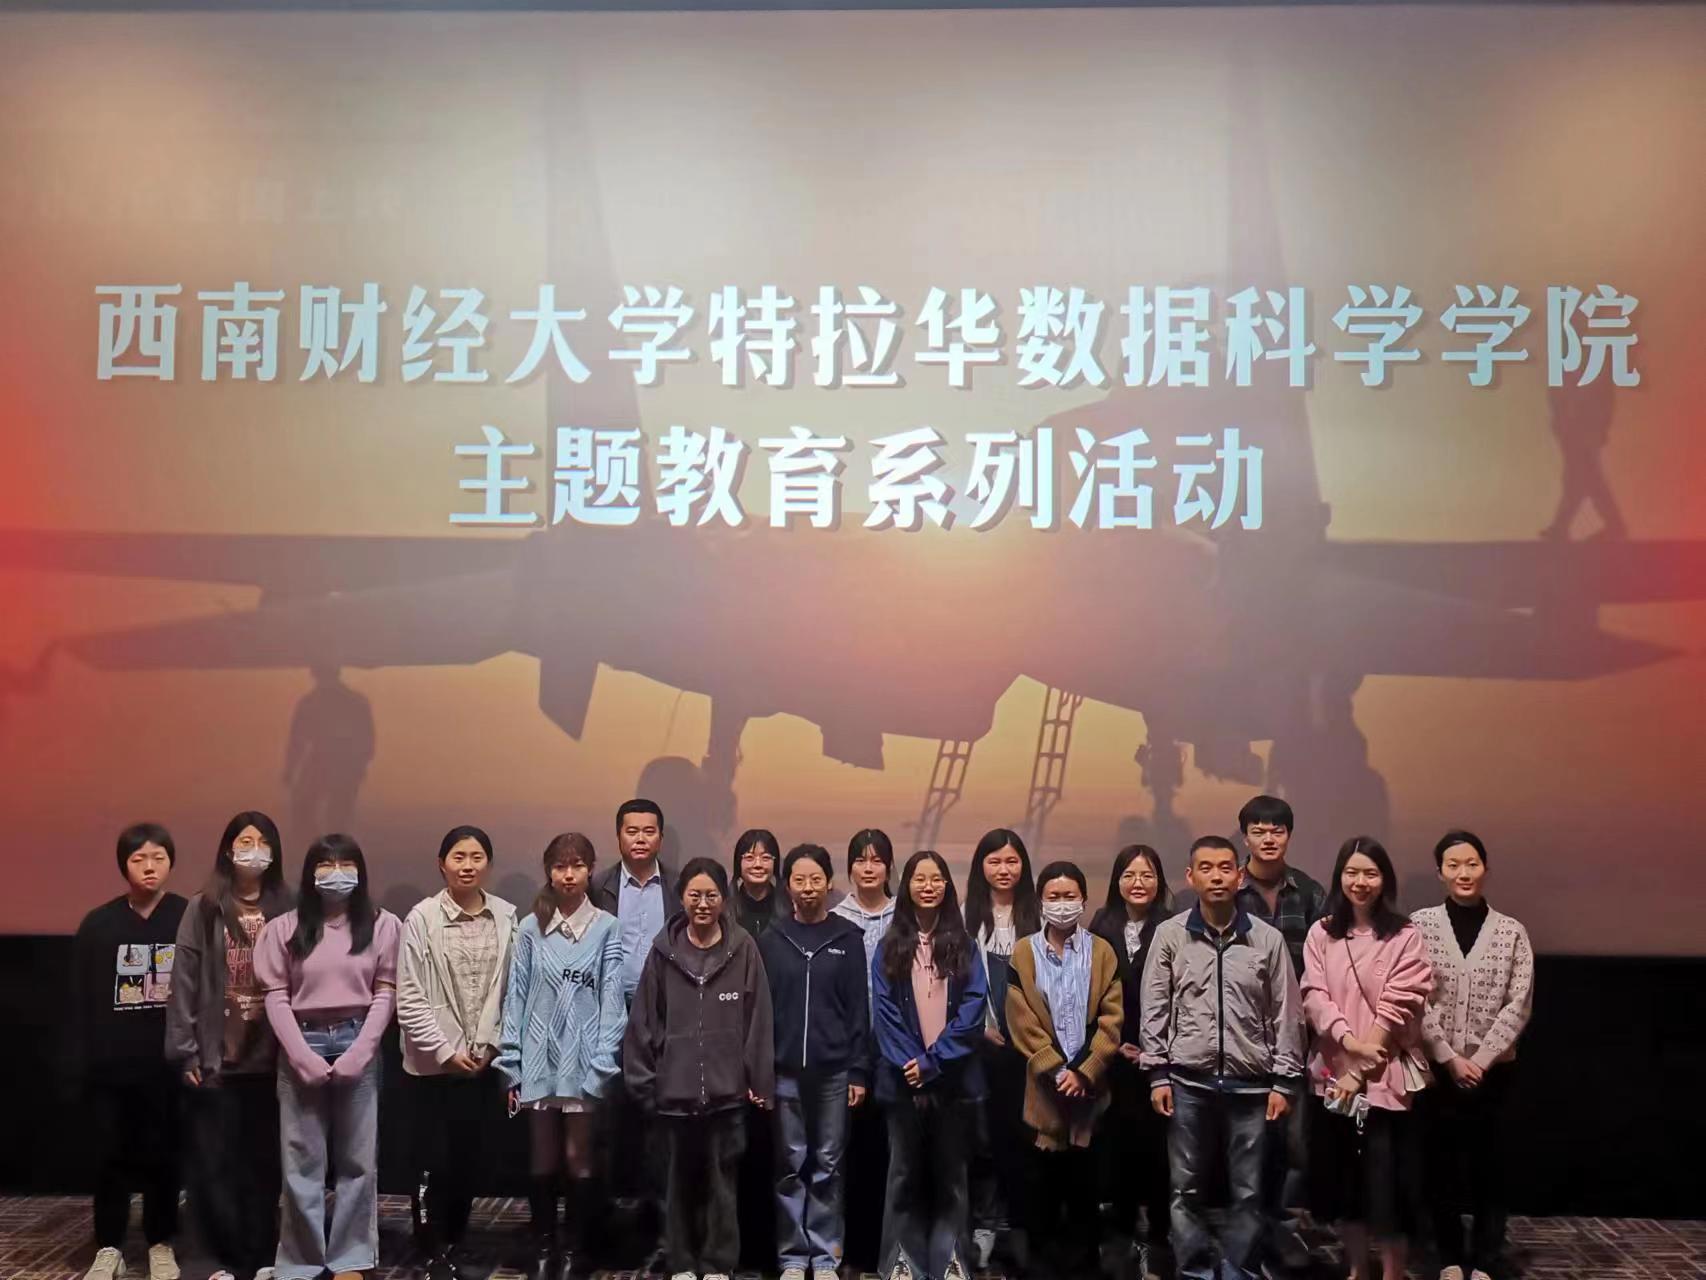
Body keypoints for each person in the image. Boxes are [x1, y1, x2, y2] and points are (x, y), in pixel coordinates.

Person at [1140, 836, 1303, 1280]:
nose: (1217, 877)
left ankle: (1239, 1270)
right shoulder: (1170, 935)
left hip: (1252, 1085)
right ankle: (1194, 1270)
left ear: (1239, 876)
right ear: (1190, 877)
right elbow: (1155, 1007)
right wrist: (1157, 1075)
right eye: (1206, 868)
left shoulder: (1266, 939)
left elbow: (1287, 1012)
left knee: (1248, 1192)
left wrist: (1284, 1082)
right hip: (1186, 1083)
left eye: (1225, 868)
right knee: (1184, 1189)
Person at [255, 834, 401, 1280]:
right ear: (310, 874)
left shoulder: (382, 925)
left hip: (358, 1039)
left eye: (345, 865)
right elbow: (276, 995)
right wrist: (300, 1055)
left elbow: (386, 992)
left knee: (358, 1161)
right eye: (326, 865)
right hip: (302, 1042)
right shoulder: (283, 928)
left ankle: (351, 1258)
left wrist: (362, 1051)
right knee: (301, 1162)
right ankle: (301, 1260)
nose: (336, 875)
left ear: (360, 872)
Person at [624, 858, 775, 1280]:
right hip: (674, 1095)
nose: (703, 904)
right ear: (682, 899)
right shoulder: (663, 953)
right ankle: (682, 1263)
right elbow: (643, 1022)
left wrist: (757, 1079)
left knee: (722, 1187)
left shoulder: (743, 949)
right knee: (677, 1187)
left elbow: (758, 1018)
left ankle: (717, 1264)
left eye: (711, 896)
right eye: (695, 895)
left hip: (728, 1095)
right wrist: (645, 1083)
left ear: (724, 899)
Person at [165, 812, 293, 1280]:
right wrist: (185, 1050)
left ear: (274, 853)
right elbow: (183, 981)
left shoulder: (288, 907)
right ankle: (211, 1262)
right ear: (227, 849)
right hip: (216, 1058)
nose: (253, 850)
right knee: (213, 1165)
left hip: (271, 1060)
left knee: (263, 1165)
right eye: (244, 841)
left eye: (263, 842)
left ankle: (261, 1257)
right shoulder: (203, 907)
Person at [495, 833, 628, 1280]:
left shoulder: (607, 927)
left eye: (577, 865)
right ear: (548, 871)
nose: (568, 875)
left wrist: (603, 1063)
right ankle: (543, 1244)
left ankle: (575, 1248)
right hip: (537, 1060)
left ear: (590, 870)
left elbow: (613, 1003)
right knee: (543, 1156)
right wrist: (511, 1062)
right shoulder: (530, 928)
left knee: (578, 1156)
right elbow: (515, 998)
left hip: (584, 1062)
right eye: (559, 866)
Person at [1301, 837, 1434, 1280]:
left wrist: (1361, 1064)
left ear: (1385, 879)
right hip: (1332, 1079)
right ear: (1339, 876)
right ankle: (1358, 1267)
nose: (1361, 882)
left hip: (1386, 1081)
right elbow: (1314, 994)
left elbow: (1400, 1003)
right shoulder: (1321, 933)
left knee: (1390, 1188)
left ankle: (1393, 1272)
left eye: (1370, 873)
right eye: (1352, 872)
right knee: (1346, 1185)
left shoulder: (1405, 935)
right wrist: (1347, 1040)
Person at [397, 826, 519, 1280]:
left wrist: (490, 1046)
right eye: (458, 857)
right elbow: (409, 996)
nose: (468, 865)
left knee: (469, 1155)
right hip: (434, 1066)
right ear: (441, 864)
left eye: (476, 857)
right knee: (432, 1159)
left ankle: (456, 1240)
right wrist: (444, 1052)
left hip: (482, 1061)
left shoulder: (506, 917)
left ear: (488, 863)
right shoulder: (421, 918)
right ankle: (430, 1245)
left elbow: (511, 990)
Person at [1412, 831, 1534, 1280]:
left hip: (1493, 1073)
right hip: (1437, 1070)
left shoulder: (1511, 931)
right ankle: (1447, 1256)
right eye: (1453, 864)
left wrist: (1480, 1060)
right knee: (1438, 1165)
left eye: (1472, 863)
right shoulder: (1420, 926)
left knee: (1491, 1168)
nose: (1463, 873)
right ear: (1440, 872)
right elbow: (1414, 996)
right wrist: (1448, 1057)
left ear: (1485, 868)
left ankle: (1485, 1259)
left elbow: (1518, 1003)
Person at [72, 823, 191, 1280]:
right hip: (112, 1067)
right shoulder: (98, 924)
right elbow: (81, 997)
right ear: (124, 865)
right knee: (111, 1157)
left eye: (158, 857)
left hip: (168, 1065)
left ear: (171, 862)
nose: (149, 867)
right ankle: (110, 1247)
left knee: (165, 1155)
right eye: (139, 859)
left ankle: (162, 1242)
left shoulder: (188, 916)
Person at [872, 850, 989, 1280]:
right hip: (902, 1082)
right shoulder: (889, 946)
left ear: (946, 886)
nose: (928, 886)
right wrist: (913, 1065)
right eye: (919, 879)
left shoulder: (965, 945)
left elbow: (973, 1010)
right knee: (903, 1177)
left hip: (953, 1081)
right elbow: (884, 1014)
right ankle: (901, 1263)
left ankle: (951, 1261)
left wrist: (934, 1063)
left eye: (936, 878)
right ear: (907, 887)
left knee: (951, 1179)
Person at [1004, 861, 1123, 1280]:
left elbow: (1111, 1019)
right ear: (1040, 901)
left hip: (1090, 1092)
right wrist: (1056, 1070)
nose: (1061, 903)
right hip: (1043, 1091)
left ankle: (1085, 1268)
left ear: (1084, 899)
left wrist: (1084, 1071)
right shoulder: (1023, 952)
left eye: (1069, 895)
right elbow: (1020, 1019)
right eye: (1053, 896)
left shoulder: (1103, 951)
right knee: (1041, 1192)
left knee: (1085, 1193)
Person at [759, 844, 872, 1280]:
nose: (808, 888)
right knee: (790, 1166)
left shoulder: (848, 939)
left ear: (829, 883)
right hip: (784, 1071)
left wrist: (858, 1070)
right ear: (787, 886)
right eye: (799, 880)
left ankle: (825, 1258)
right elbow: (761, 1011)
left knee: (827, 1165)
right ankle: (792, 1257)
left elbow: (859, 1011)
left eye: (816, 879)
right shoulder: (772, 940)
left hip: (834, 1072)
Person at [1235, 794, 1326, 1273]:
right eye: (1259, 830)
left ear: (1289, 835)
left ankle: (1284, 1230)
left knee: (1293, 1143)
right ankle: (1247, 1232)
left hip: (1295, 1039)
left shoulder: (1309, 893)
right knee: (1246, 1143)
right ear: (1245, 836)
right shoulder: (1229, 890)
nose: (1268, 839)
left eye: (1277, 830)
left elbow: (1324, 965)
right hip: (1239, 1038)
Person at [590, 798, 676, 1262]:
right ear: (618, 836)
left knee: (659, 1130)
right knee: (604, 1126)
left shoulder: (679, 887)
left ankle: (659, 1231)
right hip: (606, 1020)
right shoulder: (597, 886)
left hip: (662, 1022)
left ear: (660, 837)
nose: (640, 839)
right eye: (631, 831)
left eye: (648, 831)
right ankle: (602, 1234)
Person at [1087, 845, 1173, 1278]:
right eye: (1129, 875)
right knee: (1116, 1140)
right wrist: (1113, 1042)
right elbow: (1090, 989)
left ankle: (1158, 1231)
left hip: (1161, 1057)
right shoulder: (1102, 924)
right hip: (1112, 1053)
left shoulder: (1173, 927)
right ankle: (1120, 1227)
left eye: (1147, 875)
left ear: (1160, 881)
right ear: (1117, 880)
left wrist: (1153, 1046)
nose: (1138, 883)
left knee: (1158, 1146)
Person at [960, 829, 1040, 1271]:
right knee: (982, 1140)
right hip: (980, 1050)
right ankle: (985, 1225)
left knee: (1025, 1140)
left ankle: (1021, 1227)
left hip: (1031, 1052)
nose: (1004, 869)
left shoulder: (1039, 916)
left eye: (1012, 861)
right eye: (995, 861)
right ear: (981, 867)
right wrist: (978, 1029)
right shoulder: (965, 918)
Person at [832, 828, 898, 1275]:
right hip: (849, 1051)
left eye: (877, 860)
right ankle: (854, 1251)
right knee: (851, 1153)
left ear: (889, 867)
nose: (869, 868)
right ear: (850, 867)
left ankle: (891, 1249)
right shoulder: (836, 918)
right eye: (861, 859)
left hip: (897, 1049)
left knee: (895, 1155)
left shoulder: (904, 917)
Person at [731, 828, 786, 940]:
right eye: (749, 857)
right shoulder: (725, 910)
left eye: (765, 858)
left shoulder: (789, 907)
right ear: (738, 863)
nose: (758, 865)